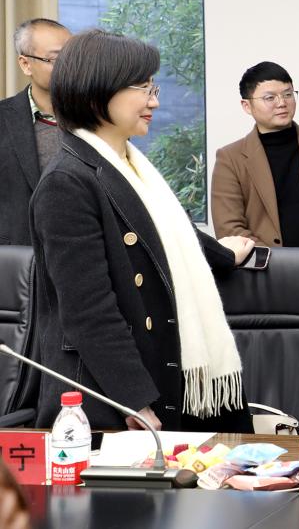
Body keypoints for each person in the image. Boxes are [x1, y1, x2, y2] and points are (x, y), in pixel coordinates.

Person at [31, 29, 255, 433]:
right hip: (109, 402)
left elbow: (169, 235)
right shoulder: (68, 181)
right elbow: (88, 311)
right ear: (96, 91)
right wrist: (132, 399)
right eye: (143, 88)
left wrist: (225, 254)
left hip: (161, 371)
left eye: (154, 88)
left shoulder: (129, 165)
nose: (154, 101)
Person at [212, 61, 299, 247]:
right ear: (246, 106)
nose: (282, 103)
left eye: (288, 94)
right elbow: (229, 228)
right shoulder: (230, 158)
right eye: (270, 98)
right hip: (265, 264)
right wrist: (276, 262)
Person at [0, 18, 71, 246]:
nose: (68, 67)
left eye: (73, 57)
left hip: (81, 253)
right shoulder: (3, 119)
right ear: (25, 64)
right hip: (17, 256)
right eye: (56, 59)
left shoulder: (97, 121)